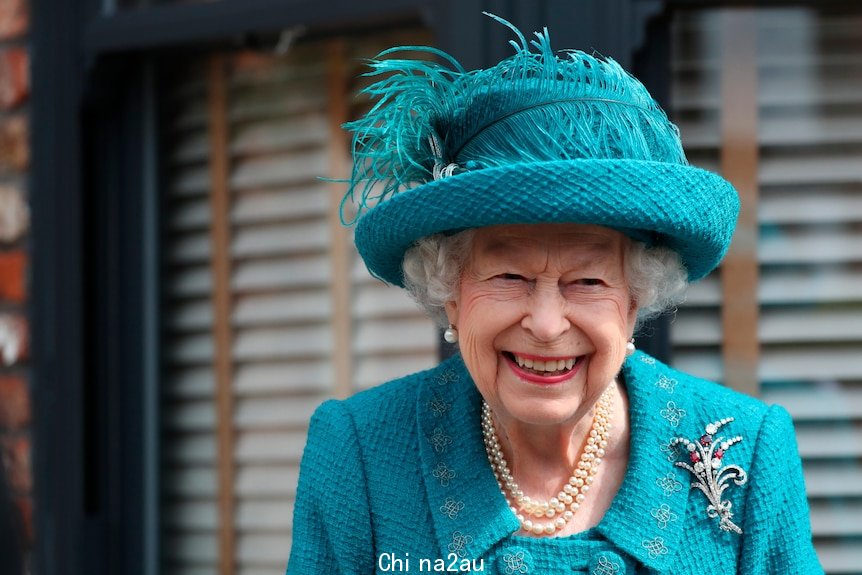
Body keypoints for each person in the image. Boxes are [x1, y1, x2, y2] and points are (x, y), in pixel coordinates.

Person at [286, 16, 823, 575]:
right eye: (509, 277)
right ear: (449, 291)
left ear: (636, 298)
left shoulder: (747, 452)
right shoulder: (360, 453)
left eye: (587, 282)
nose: (546, 324)